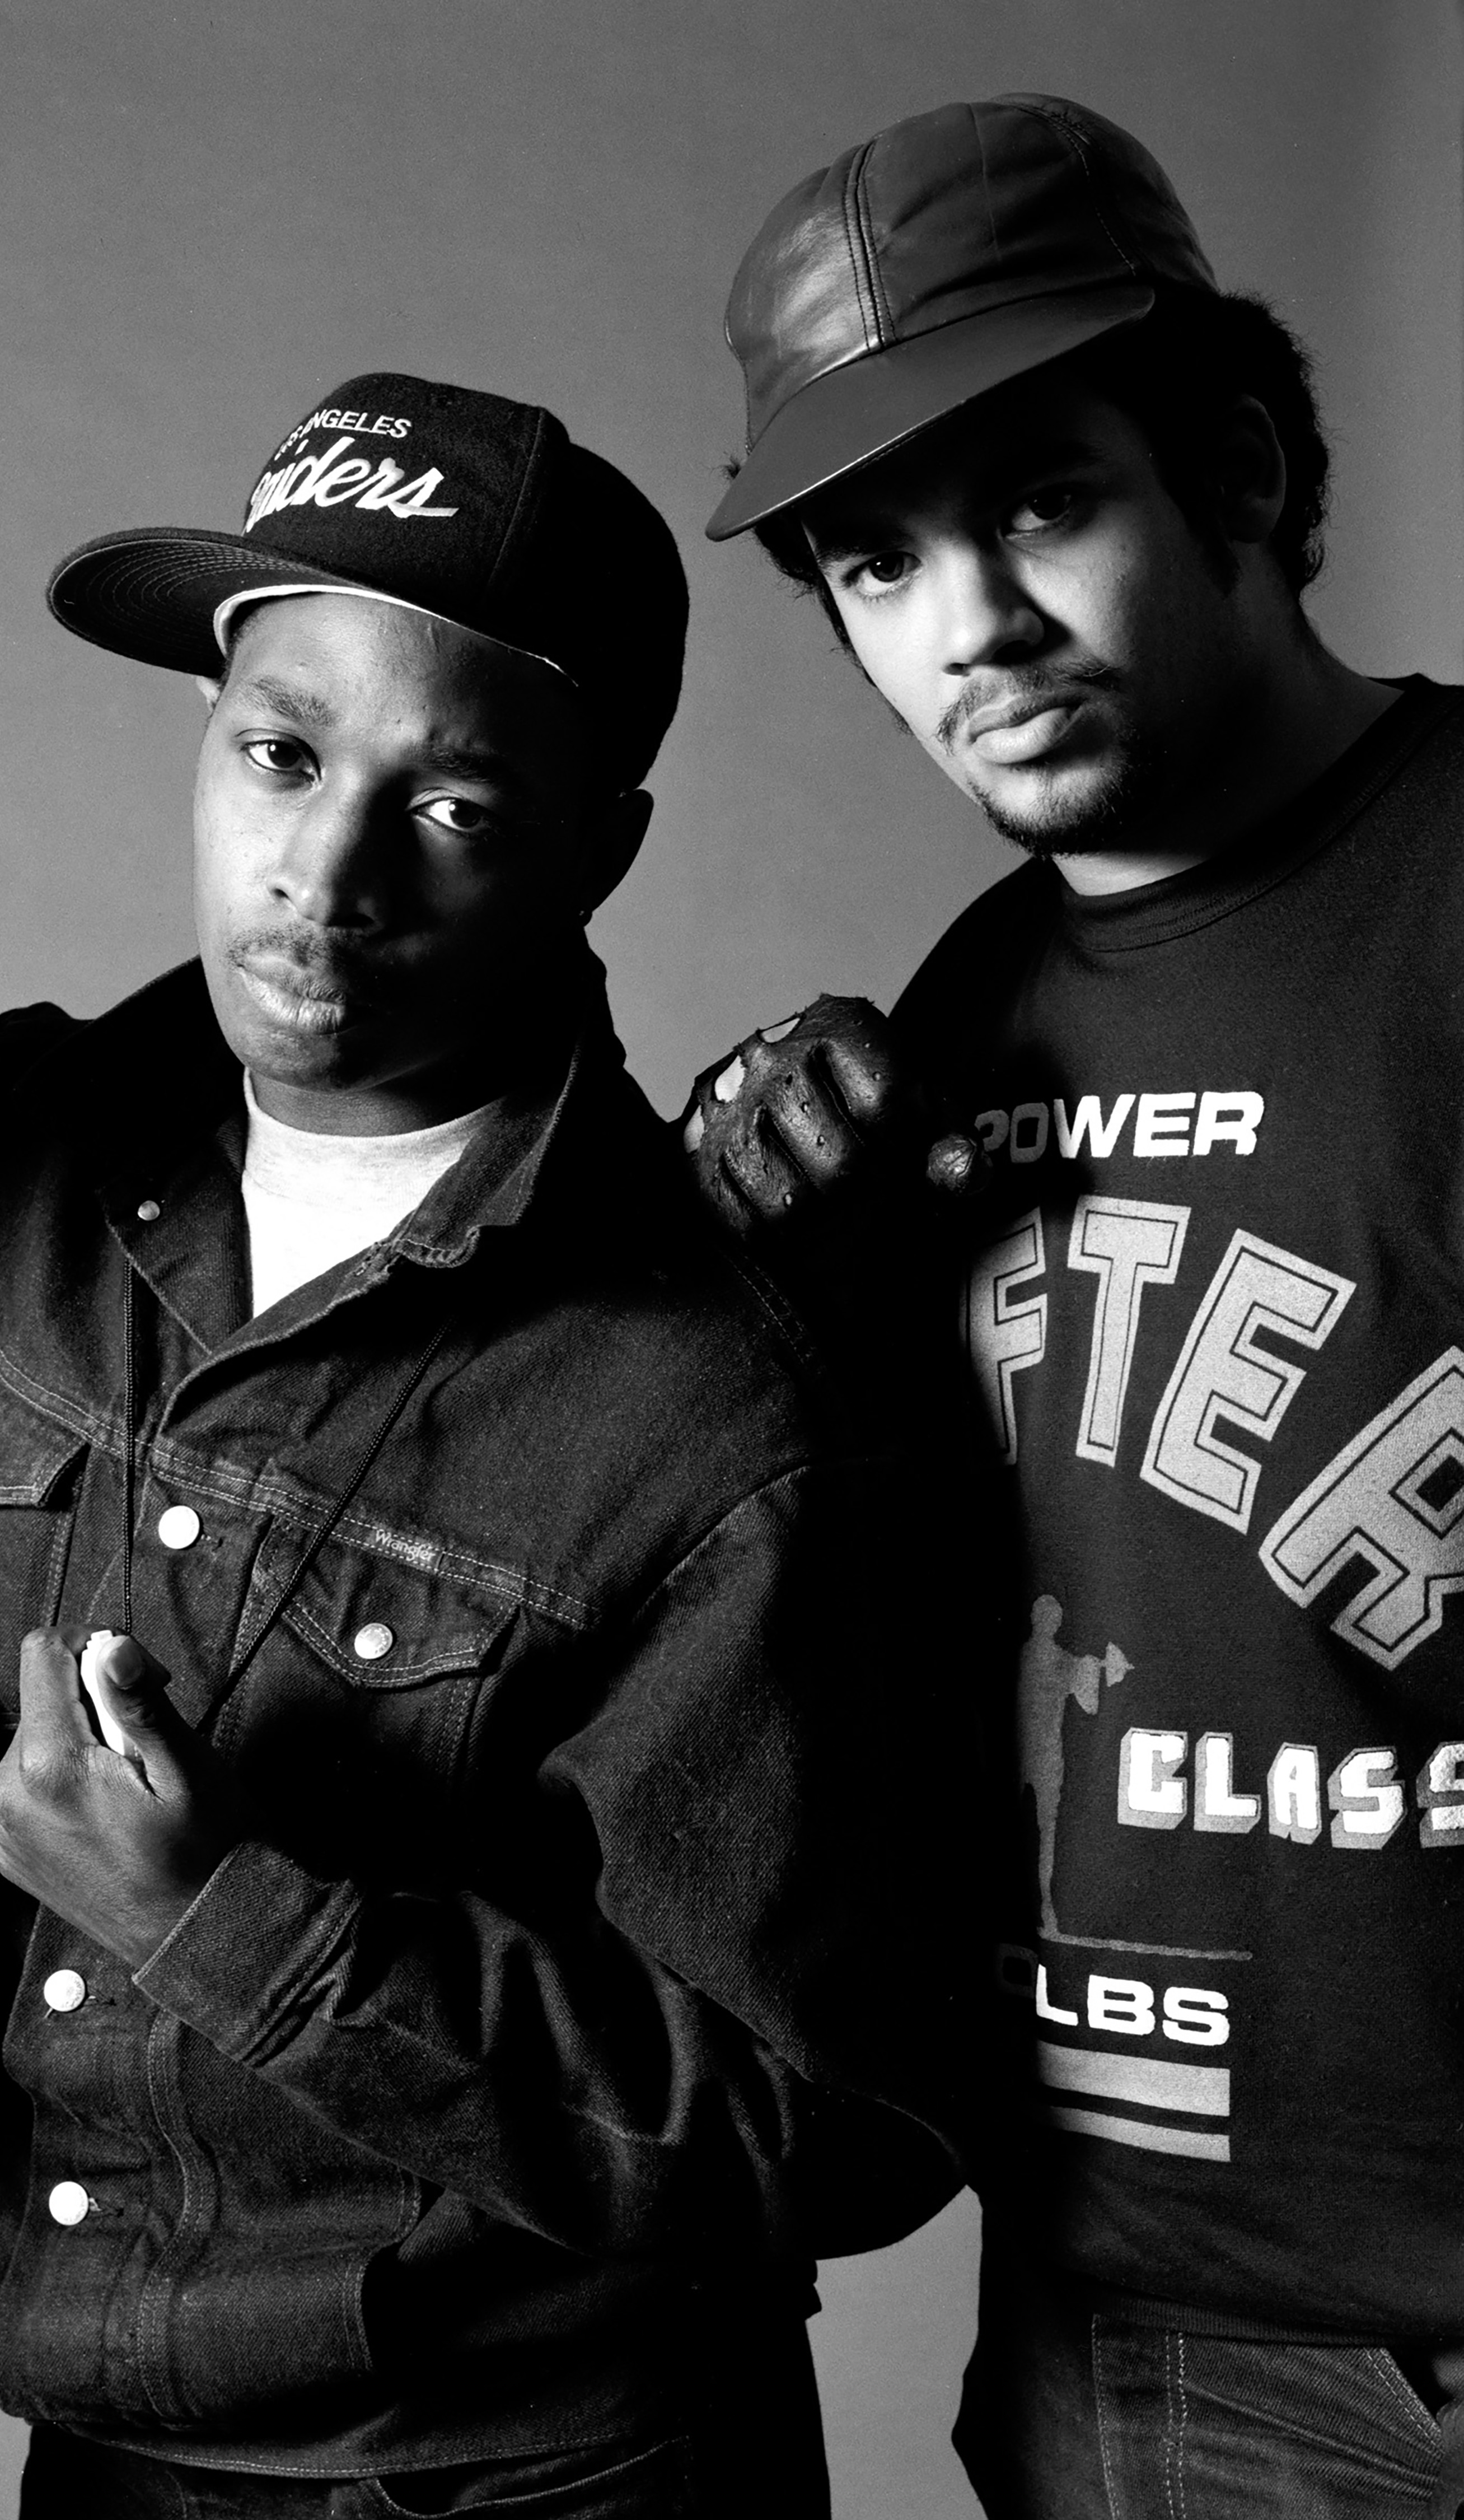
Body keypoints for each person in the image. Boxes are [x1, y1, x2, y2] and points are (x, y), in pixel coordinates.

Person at [0, 371, 977, 2516]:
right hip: (100, 2457)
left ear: (603, 846)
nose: (326, 870)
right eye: (281, 753)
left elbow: (834, 2126)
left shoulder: (724, 1392)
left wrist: (238, 1926)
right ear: (207, 732)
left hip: (549, 2476)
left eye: (455, 808)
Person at [689, 91, 1464, 2517]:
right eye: (878, 562)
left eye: (1037, 505)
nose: (970, 630)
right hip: (1133, 2322)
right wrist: (771, 1263)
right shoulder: (959, 1020)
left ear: (1237, 470)